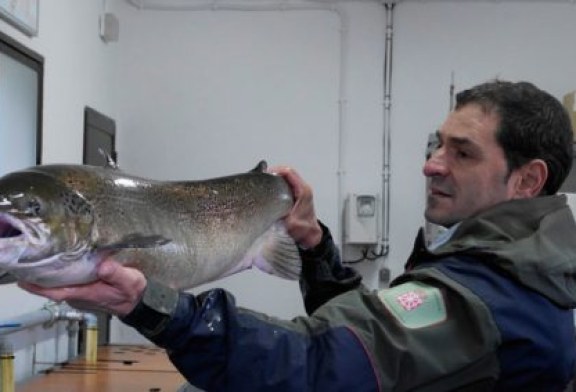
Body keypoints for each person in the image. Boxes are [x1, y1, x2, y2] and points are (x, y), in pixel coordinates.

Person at [20, 80, 576, 391]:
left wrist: (155, 306)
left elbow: (316, 365)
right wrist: (312, 245)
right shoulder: (496, 260)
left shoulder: (492, 293)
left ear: (527, 179)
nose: (432, 165)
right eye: (437, 144)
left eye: (462, 152)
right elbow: (376, 341)